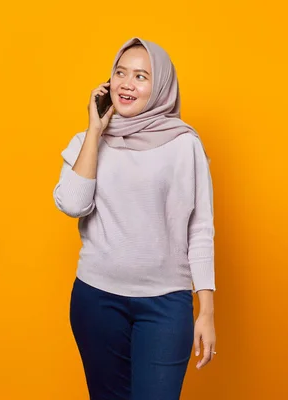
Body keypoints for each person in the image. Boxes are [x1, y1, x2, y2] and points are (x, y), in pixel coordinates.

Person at [53, 37, 216, 400]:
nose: (127, 83)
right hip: (96, 300)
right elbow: (74, 205)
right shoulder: (86, 141)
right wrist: (95, 131)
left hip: (164, 305)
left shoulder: (183, 143)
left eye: (141, 76)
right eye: (120, 73)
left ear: (160, 87)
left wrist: (206, 311)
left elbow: (200, 229)